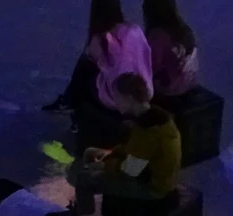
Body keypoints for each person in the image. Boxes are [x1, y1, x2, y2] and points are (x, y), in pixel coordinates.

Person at [63, 72, 181, 216]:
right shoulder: (153, 117)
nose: (115, 102)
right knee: (90, 153)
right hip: (150, 176)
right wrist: (113, 152)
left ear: (129, 98)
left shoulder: (149, 131)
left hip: (152, 188)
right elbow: (137, 152)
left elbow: (131, 170)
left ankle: (84, 213)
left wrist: (103, 166)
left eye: (117, 98)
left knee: (84, 180)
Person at [44, 0, 153, 116]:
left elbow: (106, 67)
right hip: (144, 90)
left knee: (85, 66)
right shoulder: (135, 30)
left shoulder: (102, 38)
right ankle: (70, 101)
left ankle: (70, 102)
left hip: (118, 97)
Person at [142, 0, 199, 100]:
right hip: (189, 82)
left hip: (169, 89)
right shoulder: (184, 29)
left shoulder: (157, 35)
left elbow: (151, 66)